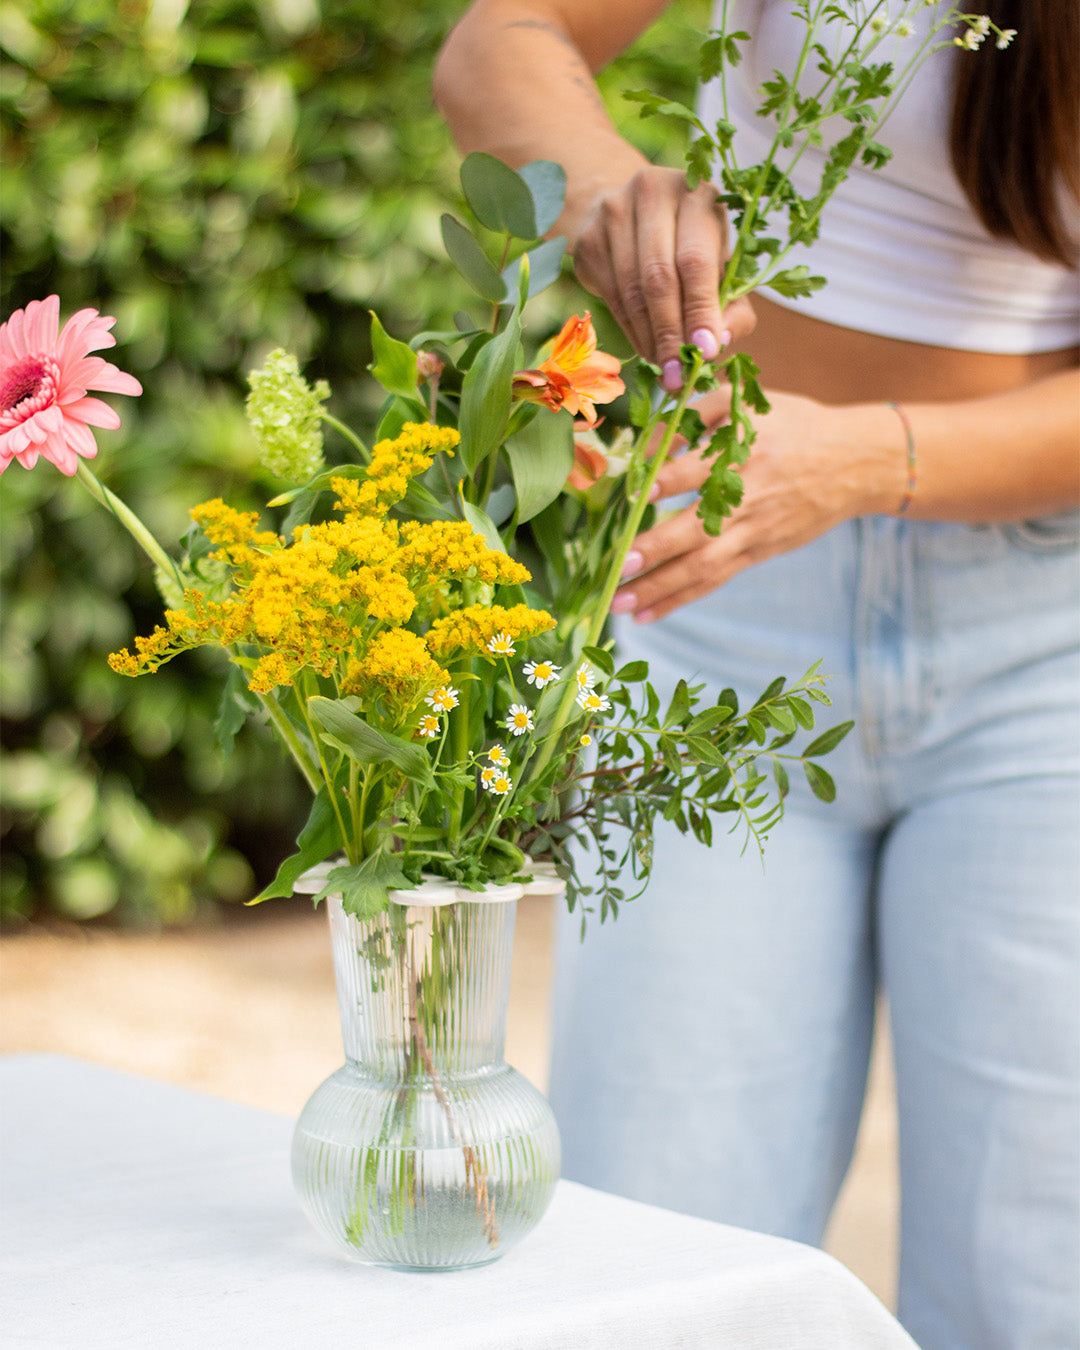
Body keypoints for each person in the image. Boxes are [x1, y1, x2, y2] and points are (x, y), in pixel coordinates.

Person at [433, 4, 1080, 1347]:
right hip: (726, 589)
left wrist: (865, 460)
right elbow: (505, 41)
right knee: (656, 1268)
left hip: (1050, 644)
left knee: (1039, 1287)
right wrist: (611, 194)